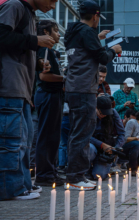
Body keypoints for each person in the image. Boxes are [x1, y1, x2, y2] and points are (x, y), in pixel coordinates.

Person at [0, 0, 56, 200]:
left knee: (24, 142)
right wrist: (35, 41)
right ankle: (10, 189)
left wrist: (39, 63)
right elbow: (2, 35)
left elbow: (18, 47)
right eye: (52, 0)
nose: (54, 6)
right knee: (11, 142)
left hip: (22, 90)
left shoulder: (29, 13)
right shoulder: (14, 6)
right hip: (9, 87)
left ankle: (23, 184)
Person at [64, 0, 121, 190]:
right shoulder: (87, 32)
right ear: (96, 16)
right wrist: (113, 49)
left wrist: (98, 38)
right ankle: (75, 177)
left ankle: (74, 175)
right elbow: (103, 58)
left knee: (77, 132)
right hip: (84, 89)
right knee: (82, 133)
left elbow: (85, 51)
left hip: (74, 87)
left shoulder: (74, 31)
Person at [34, 20, 66, 187]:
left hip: (54, 95)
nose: (59, 34)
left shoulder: (51, 51)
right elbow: (44, 76)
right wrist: (66, 79)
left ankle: (50, 172)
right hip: (48, 94)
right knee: (47, 136)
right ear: (46, 32)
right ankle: (44, 174)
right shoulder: (44, 49)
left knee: (53, 137)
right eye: (55, 30)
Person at [87, 96, 125, 180]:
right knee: (89, 148)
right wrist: (102, 145)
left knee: (99, 176)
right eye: (101, 113)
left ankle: (99, 167)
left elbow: (122, 134)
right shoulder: (89, 113)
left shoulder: (113, 113)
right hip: (92, 145)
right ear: (96, 107)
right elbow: (85, 136)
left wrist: (115, 148)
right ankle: (86, 169)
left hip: (106, 150)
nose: (104, 115)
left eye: (106, 113)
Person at [58, 103, 70, 173]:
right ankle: (67, 164)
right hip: (68, 115)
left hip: (62, 115)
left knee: (62, 143)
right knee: (68, 142)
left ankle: (61, 164)